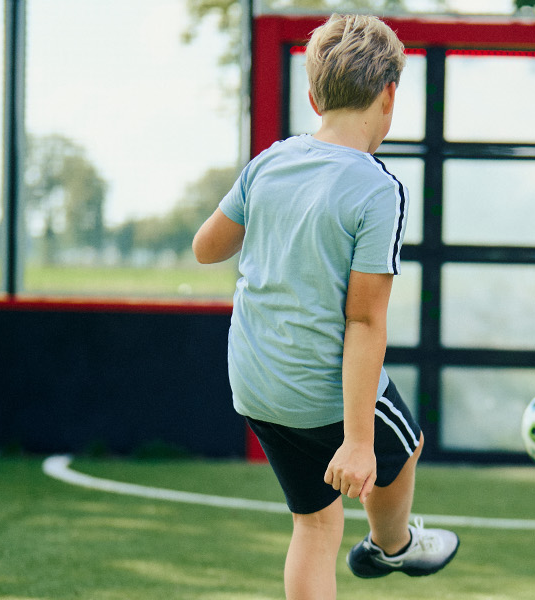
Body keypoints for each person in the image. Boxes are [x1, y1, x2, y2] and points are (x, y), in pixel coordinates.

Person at [191, 13, 457, 600]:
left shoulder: (269, 163)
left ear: (313, 97)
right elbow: (363, 319)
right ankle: (393, 546)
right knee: (403, 442)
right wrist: (358, 442)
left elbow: (206, 248)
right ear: (390, 97)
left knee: (314, 523)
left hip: (257, 382)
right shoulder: (377, 188)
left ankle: (387, 544)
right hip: (319, 389)